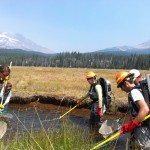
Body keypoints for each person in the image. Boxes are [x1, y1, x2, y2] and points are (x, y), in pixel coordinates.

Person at [116, 71, 150, 149]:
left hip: (143, 128)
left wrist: (131, 125)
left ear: (126, 84)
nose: (121, 89)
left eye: (121, 87)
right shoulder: (141, 88)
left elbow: (145, 109)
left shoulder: (134, 92)